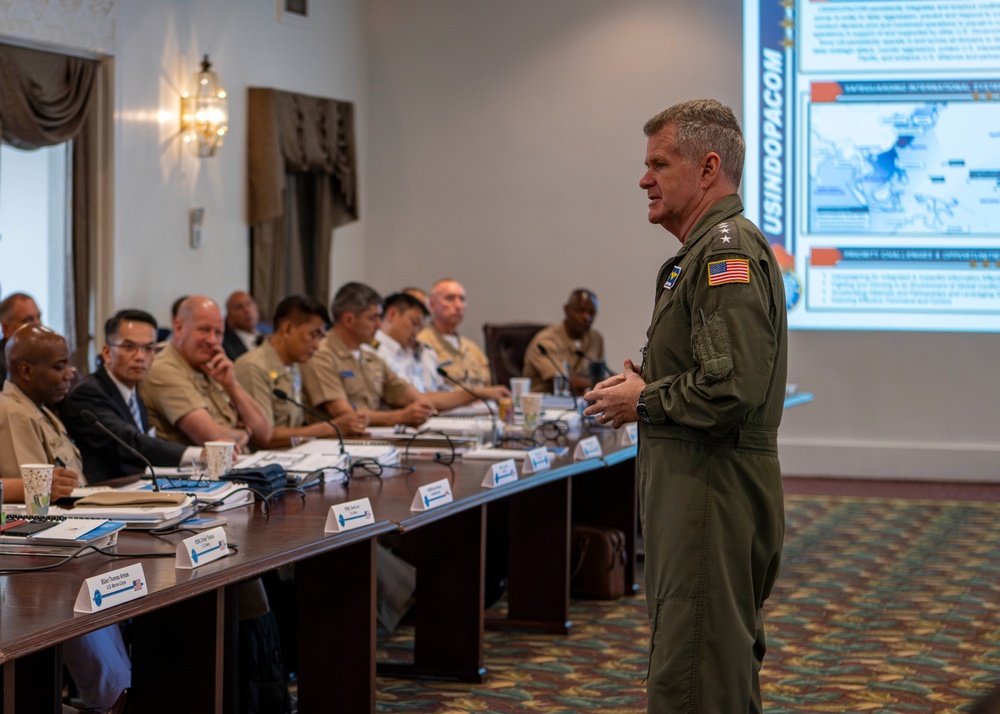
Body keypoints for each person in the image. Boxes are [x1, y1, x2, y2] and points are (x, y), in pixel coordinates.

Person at [583, 99, 788, 713]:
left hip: (711, 492)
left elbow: (735, 387)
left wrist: (644, 398)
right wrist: (650, 381)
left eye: (659, 163)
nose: (644, 179)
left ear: (707, 168)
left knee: (696, 677)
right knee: (703, 664)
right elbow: (715, 371)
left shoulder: (725, 254)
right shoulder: (703, 251)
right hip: (696, 488)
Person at [0, 325, 130, 714]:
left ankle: (115, 693)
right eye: (60, 366)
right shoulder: (12, 413)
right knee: (79, 590)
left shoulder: (36, 410)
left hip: (65, 537)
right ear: (24, 371)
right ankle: (111, 697)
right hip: (38, 556)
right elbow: (37, 501)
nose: (71, 373)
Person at [62, 310, 201, 483]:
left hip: (137, 486)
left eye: (149, 348)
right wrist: (198, 454)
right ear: (106, 353)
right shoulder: (87, 394)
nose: (140, 357)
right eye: (129, 347)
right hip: (106, 494)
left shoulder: (134, 393)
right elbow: (130, 443)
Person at [139, 295, 273, 449]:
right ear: (178, 328)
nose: (212, 340)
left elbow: (264, 434)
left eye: (218, 333)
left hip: (238, 465)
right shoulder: (164, 369)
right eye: (204, 330)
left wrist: (232, 385)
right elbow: (214, 439)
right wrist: (247, 433)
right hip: (200, 471)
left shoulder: (212, 366)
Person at [235, 294, 368, 448]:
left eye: (320, 337)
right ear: (288, 329)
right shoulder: (253, 366)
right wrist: (332, 427)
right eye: (313, 335)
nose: (317, 345)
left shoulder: (295, 364)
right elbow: (265, 436)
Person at [301, 282, 435, 428]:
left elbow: (407, 394)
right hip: (336, 444)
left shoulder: (371, 358)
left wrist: (423, 407)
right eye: (372, 318)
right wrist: (400, 417)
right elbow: (344, 413)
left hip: (374, 438)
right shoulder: (321, 355)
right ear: (349, 320)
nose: (379, 325)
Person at [375, 292, 510, 406]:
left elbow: (438, 390)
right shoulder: (375, 352)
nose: (416, 333)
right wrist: (475, 394)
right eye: (414, 323)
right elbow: (416, 399)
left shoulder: (410, 352)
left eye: (420, 327)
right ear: (392, 314)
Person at [522, 289, 605, 394]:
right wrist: (600, 383)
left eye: (591, 313)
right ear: (567, 310)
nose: (586, 317)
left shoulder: (596, 339)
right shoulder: (545, 340)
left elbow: (599, 374)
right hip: (545, 404)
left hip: (581, 403)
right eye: (580, 310)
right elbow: (561, 382)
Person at [417, 278, 491, 387]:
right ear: (432, 305)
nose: (458, 306)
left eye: (462, 299)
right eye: (450, 298)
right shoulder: (422, 343)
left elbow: (489, 386)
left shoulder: (473, 349)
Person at [0, 292, 42, 382]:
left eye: (38, 317)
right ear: (6, 329)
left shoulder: (49, 354)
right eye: (27, 320)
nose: (38, 324)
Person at [222, 290, 271, 361]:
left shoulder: (269, 334)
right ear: (230, 318)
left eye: (249, 304)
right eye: (239, 307)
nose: (247, 310)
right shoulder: (226, 346)